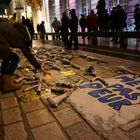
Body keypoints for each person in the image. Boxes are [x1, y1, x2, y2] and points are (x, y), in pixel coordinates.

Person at [0, 19, 41, 92]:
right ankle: (8, 85)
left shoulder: (12, 27)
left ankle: (3, 81)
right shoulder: (21, 38)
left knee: (7, 58)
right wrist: (38, 67)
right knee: (14, 58)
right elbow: (28, 55)